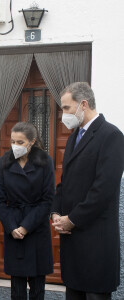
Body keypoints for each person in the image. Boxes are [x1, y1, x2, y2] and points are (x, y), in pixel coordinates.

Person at [51, 82, 124, 300]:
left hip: (96, 244)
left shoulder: (111, 135)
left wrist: (72, 219)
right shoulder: (74, 136)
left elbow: (103, 190)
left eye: (66, 108)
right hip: (73, 244)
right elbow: (65, 183)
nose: (63, 115)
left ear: (83, 104)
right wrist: (55, 213)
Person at [0, 122, 55, 300]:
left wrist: (26, 226)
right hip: (13, 229)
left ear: (32, 142)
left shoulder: (45, 162)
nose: (15, 146)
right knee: (17, 287)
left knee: (37, 287)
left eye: (20, 142)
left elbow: (47, 200)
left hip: (36, 229)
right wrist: (12, 226)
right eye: (12, 141)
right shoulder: (4, 162)